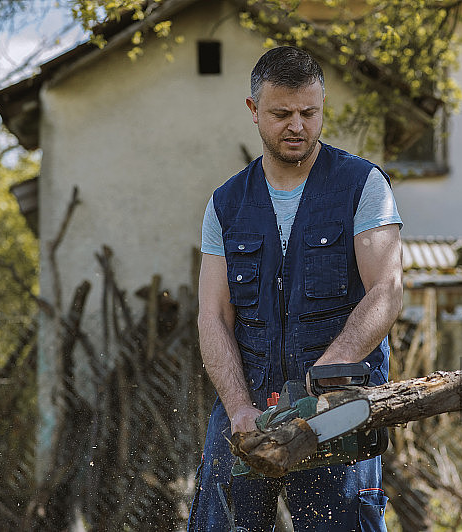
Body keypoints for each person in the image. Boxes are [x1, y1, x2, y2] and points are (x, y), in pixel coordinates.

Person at [188, 46, 403, 531]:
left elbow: (387, 290)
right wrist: (238, 406)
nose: (297, 126)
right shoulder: (225, 205)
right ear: (253, 111)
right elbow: (212, 317)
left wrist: (336, 360)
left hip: (338, 405)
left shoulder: (363, 185)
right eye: (281, 113)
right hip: (247, 408)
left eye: (309, 112)